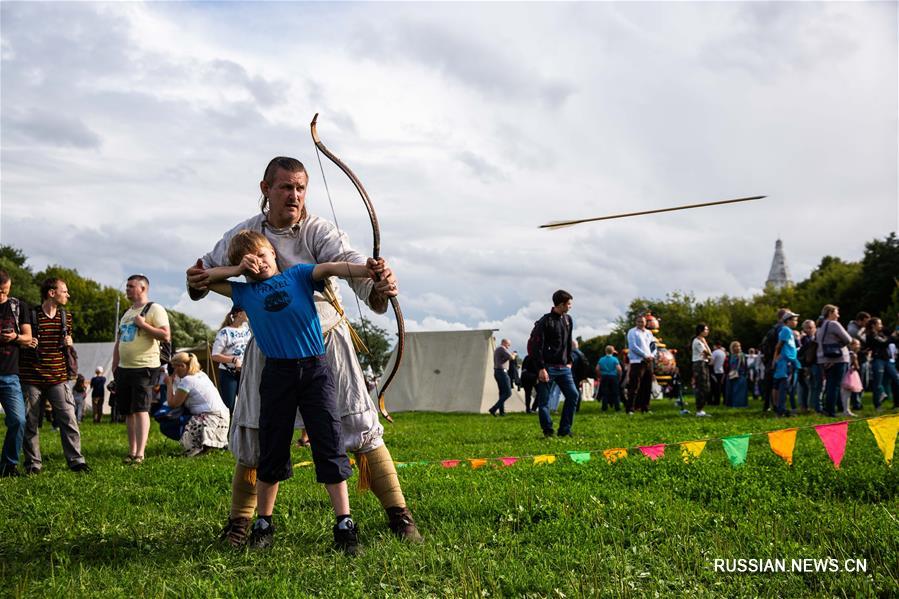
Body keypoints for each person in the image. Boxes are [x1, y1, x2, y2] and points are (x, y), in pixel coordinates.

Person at [186, 156, 420, 546]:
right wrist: (197, 279)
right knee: (256, 432)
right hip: (270, 347)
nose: (294, 195)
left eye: (300, 187)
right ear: (266, 189)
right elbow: (203, 276)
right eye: (285, 187)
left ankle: (399, 514)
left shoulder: (318, 230)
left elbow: (347, 263)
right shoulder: (242, 235)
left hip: (324, 340)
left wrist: (377, 280)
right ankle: (243, 523)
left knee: (357, 427)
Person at [201, 229, 386, 553]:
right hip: (277, 375)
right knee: (271, 447)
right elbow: (204, 279)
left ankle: (344, 523)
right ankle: (263, 523)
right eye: (250, 260)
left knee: (329, 442)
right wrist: (237, 270)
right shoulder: (243, 294)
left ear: (274, 253)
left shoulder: (299, 275)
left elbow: (330, 268)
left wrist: (366, 269)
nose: (258, 262)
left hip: (315, 371)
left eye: (262, 254)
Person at [18, 278, 89, 473]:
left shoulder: (66, 317)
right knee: (30, 421)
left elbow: (66, 349)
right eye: (64, 291)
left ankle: (76, 461)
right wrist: (26, 342)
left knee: (68, 418)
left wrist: (70, 342)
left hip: (58, 377)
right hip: (31, 377)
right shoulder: (31, 315)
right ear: (51, 293)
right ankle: (33, 464)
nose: (68, 295)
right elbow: (21, 340)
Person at [112, 274, 170, 464]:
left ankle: (140, 454)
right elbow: (119, 340)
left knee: (140, 409)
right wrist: (115, 363)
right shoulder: (128, 312)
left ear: (142, 288)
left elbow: (165, 335)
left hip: (144, 366)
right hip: (124, 368)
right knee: (128, 411)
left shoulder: (154, 309)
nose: (127, 289)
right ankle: (132, 451)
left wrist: (143, 325)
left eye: (131, 286)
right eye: (127, 286)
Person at [531, 290, 578, 437]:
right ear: (561, 304)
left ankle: (565, 430)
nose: (571, 306)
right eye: (569, 304)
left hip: (564, 368)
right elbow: (535, 346)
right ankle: (548, 430)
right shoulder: (545, 321)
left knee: (573, 396)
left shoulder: (568, 320)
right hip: (548, 368)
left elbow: (568, 343)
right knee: (543, 401)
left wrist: (569, 361)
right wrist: (541, 368)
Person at [164, 352, 231, 457]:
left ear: (182, 366)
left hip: (211, 418)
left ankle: (195, 447)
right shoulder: (201, 374)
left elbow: (173, 404)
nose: (174, 371)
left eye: (175, 367)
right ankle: (209, 445)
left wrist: (169, 384)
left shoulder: (187, 380)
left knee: (168, 422)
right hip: (223, 418)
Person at [0, 270, 34, 477]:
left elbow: (28, 338)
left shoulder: (18, 306)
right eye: (0, 292)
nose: (4, 295)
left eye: (6, 291)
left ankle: (8, 465)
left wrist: (14, 337)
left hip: (10, 374)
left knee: (18, 420)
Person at [211, 307, 252, 413]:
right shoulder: (225, 332)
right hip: (228, 373)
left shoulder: (248, 330)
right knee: (229, 406)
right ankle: (227, 429)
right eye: (246, 311)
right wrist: (234, 360)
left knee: (247, 406)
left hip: (244, 372)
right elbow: (215, 355)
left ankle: (243, 429)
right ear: (239, 314)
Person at [816, 304, 851, 417]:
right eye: (836, 312)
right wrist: (839, 345)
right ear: (830, 313)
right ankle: (831, 411)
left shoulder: (821, 326)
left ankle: (828, 409)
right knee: (835, 385)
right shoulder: (833, 324)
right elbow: (848, 339)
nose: (838, 315)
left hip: (823, 359)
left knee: (830, 385)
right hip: (837, 358)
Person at [864, 317, 899, 411]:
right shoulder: (871, 335)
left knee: (897, 378)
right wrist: (892, 336)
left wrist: (895, 335)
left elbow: (891, 341)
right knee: (878, 384)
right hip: (878, 360)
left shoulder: (881, 333)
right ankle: (877, 405)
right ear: (873, 325)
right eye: (879, 324)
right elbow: (883, 343)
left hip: (887, 360)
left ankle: (895, 403)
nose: (881, 325)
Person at [772, 311, 801, 417]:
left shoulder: (787, 330)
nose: (796, 322)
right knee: (784, 387)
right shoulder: (786, 330)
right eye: (794, 320)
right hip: (786, 363)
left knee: (786, 387)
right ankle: (781, 411)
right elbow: (779, 345)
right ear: (788, 321)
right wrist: (775, 358)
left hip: (787, 362)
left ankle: (782, 409)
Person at [626, 315, 656, 414]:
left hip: (649, 361)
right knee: (634, 385)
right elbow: (633, 346)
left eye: (642, 322)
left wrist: (651, 355)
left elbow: (653, 346)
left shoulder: (649, 333)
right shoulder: (632, 332)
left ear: (645, 323)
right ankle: (631, 408)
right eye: (638, 321)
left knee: (647, 386)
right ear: (636, 322)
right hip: (637, 361)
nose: (640, 323)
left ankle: (645, 407)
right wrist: (644, 355)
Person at [797, 320, 822, 413]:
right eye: (807, 328)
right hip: (806, 366)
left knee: (814, 386)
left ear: (815, 328)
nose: (809, 329)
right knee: (805, 387)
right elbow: (801, 354)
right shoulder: (803, 340)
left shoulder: (817, 337)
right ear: (803, 329)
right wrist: (805, 367)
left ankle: (812, 406)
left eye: (811, 327)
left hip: (816, 364)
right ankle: (805, 407)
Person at [691, 323, 712, 417]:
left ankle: (701, 408)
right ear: (700, 331)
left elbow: (709, 353)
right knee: (702, 386)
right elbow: (707, 353)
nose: (707, 331)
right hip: (699, 364)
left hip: (703, 363)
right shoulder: (697, 341)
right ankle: (699, 410)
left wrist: (705, 342)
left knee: (706, 386)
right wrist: (709, 354)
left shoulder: (702, 340)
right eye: (706, 330)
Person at [489, 338, 514, 416]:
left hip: (498, 371)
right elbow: (511, 357)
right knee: (508, 393)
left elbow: (504, 358)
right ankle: (493, 409)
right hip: (502, 372)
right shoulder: (502, 348)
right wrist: (514, 354)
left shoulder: (498, 349)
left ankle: (502, 412)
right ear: (503, 343)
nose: (508, 347)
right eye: (508, 345)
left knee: (502, 393)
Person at [596, 345, 622, 412]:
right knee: (615, 393)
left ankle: (604, 408)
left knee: (605, 393)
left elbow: (597, 368)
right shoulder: (615, 359)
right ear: (613, 351)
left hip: (604, 377)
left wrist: (600, 375)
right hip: (613, 377)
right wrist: (619, 376)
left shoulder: (601, 359)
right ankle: (617, 408)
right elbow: (619, 369)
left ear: (605, 351)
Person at [725, 341, 749, 408]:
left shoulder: (742, 355)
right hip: (731, 375)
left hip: (740, 375)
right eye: (736, 346)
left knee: (739, 391)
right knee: (731, 390)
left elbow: (745, 366)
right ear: (732, 347)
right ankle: (730, 404)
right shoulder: (731, 355)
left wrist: (745, 374)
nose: (738, 347)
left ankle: (740, 405)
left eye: (739, 346)